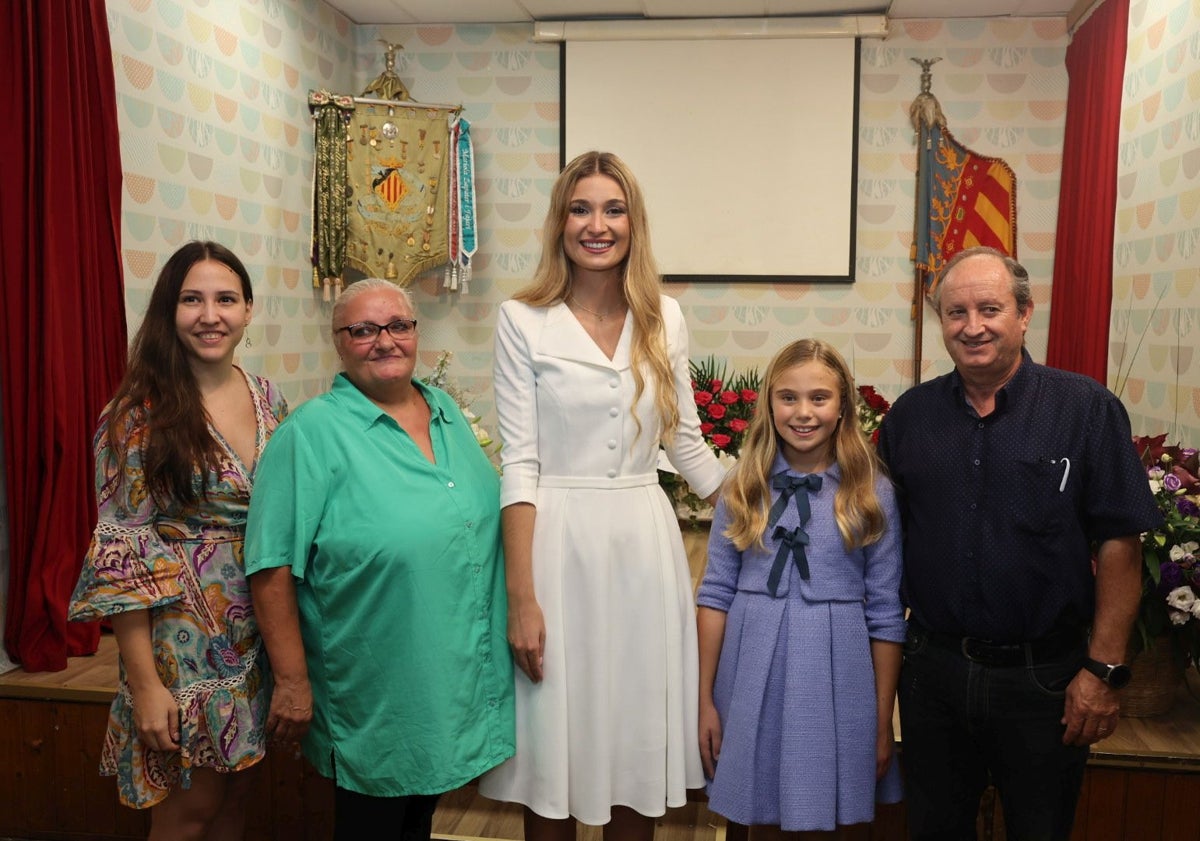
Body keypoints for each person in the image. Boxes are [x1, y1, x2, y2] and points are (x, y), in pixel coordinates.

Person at [477, 151, 726, 841]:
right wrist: (522, 597)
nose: (597, 224)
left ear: (632, 222)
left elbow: (687, 447)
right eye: (580, 209)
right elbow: (520, 463)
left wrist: (771, 497)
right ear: (560, 223)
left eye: (612, 209)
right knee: (554, 748)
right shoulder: (523, 319)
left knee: (634, 744)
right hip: (558, 547)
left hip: (644, 545)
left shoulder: (664, 318)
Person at [877, 246, 1164, 840]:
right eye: (956, 313)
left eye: (990, 308)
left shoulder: (1085, 410)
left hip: (1045, 680)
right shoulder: (909, 417)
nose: (973, 326)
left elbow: (1120, 543)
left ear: (1025, 313)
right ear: (940, 323)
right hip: (933, 675)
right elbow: (875, 539)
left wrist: (1103, 670)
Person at [243, 278, 514, 841]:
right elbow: (270, 567)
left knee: (417, 818)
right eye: (362, 330)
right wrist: (292, 683)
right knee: (375, 823)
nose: (384, 340)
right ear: (338, 343)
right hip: (372, 686)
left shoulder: (445, 413)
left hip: (447, 674)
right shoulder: (309, 435)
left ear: (416, 334)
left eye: (398, 326)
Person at [68, 241, 288, 839]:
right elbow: (123, 555)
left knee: (239, 797)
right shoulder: (137, 414)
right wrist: (144, 685)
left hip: (259, 632)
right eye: (192, 299)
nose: (210, 315)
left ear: (248, 309)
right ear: (169, 310)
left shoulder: (269, 398)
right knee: (189, 811)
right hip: (180, 644)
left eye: (225, 299)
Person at [696, 339, 905, 838]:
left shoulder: (872, 493)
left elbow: (885, 613)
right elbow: (714, 594)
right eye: (788, 397)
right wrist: (703, 697)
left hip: (839, 678)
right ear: (769, 404)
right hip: (748, 678)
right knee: (756, 813)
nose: (803, 412)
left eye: (819, 398)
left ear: (842, 408)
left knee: (829, 819)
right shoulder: (741, 486)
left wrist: (881, 722)